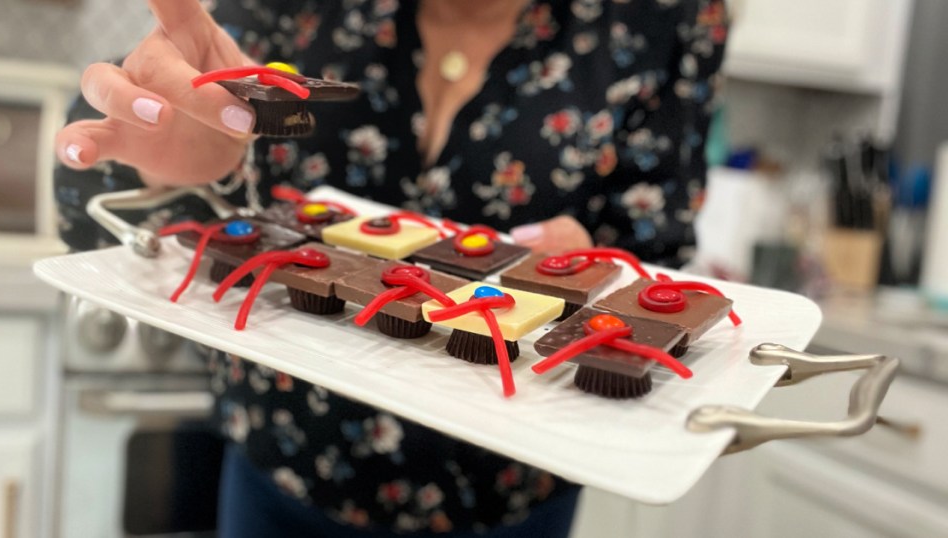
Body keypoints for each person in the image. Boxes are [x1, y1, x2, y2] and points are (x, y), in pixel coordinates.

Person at [54, 0, 727, 535]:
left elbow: (658, 258)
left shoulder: (666, 17)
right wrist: (177, 161)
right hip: (279, 468)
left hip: (507, 500)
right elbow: (94, 183)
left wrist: (596, 269)